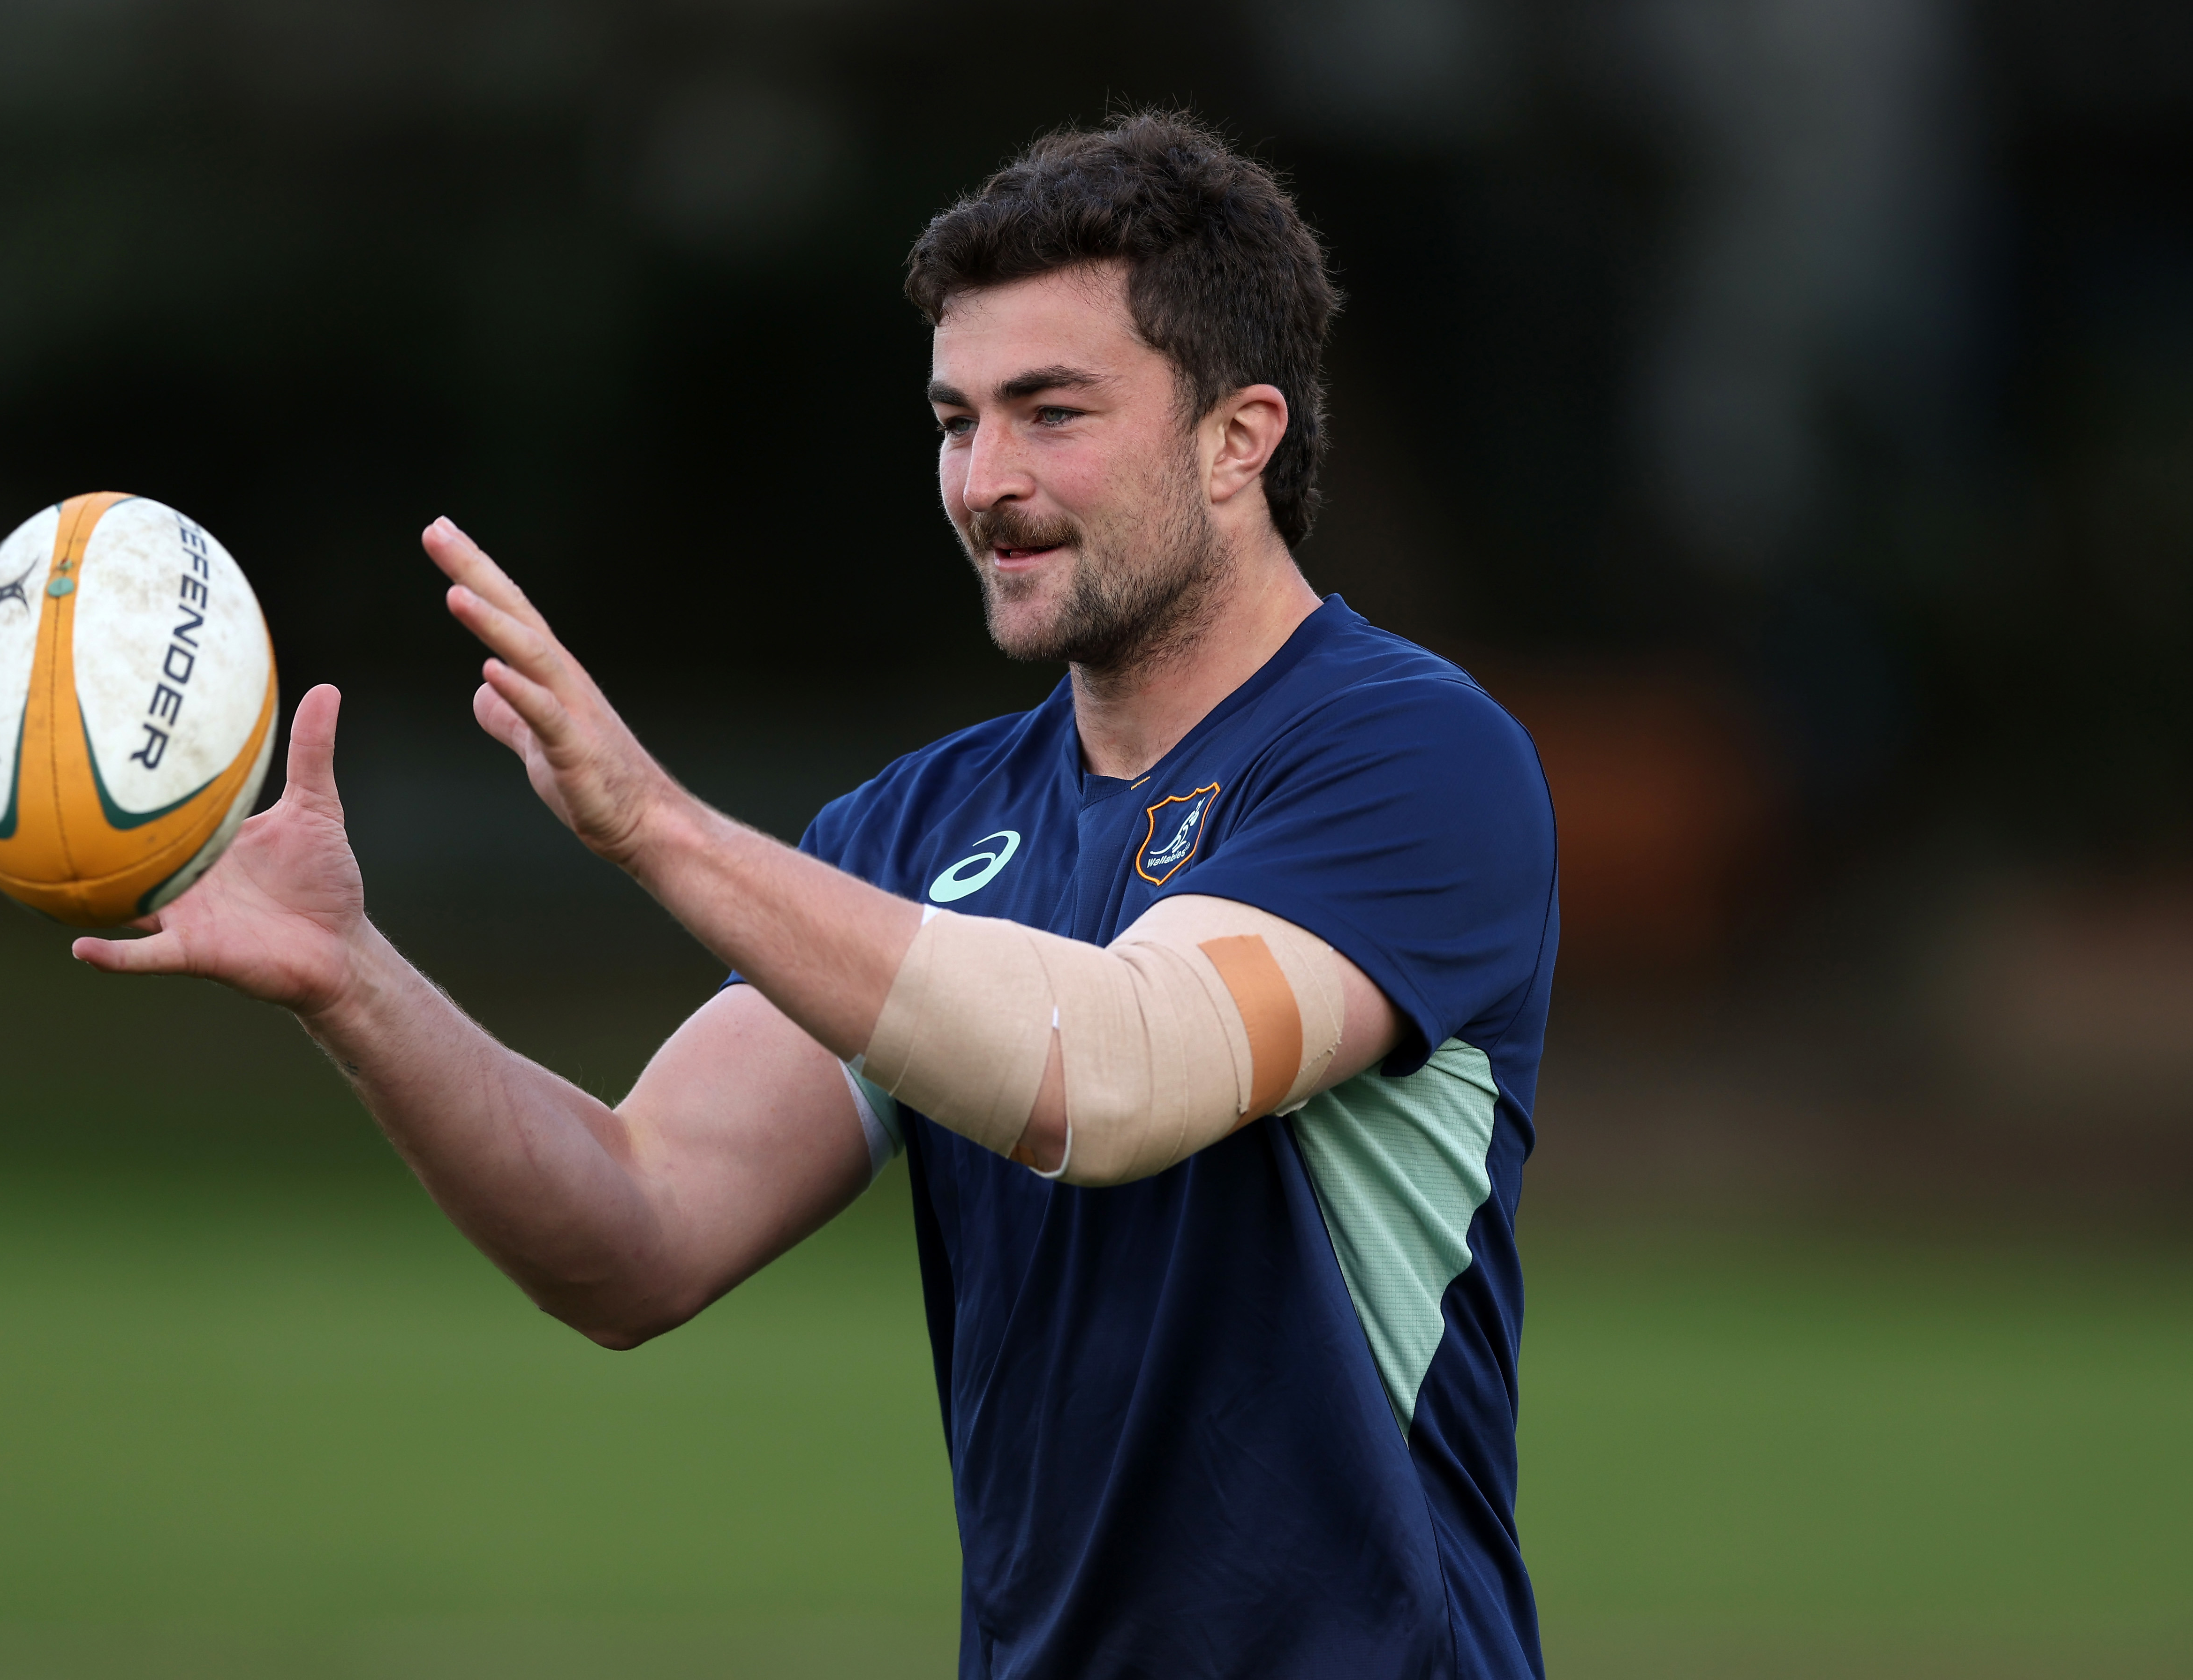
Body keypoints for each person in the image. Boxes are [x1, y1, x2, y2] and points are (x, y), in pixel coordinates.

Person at [76, 111, 1558, 1680]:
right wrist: (350, 975)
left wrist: (654, 828)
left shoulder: (1408, 756)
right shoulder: (922, 827)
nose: (986, 481)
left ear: (1239, 436)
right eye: (955, 419)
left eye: (1052, 412)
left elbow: (1123, 1073)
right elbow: (636, 1229)